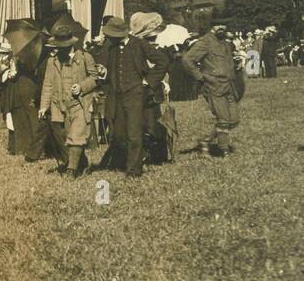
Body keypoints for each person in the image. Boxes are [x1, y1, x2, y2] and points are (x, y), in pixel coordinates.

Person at [101, 13, 169, 175]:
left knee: (134, 134)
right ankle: (130, 160)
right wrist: (102, 71)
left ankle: (133, 169)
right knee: (119, 134)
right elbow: (107, 67)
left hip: (136, 95)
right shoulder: (111, 46)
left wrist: (148, 81)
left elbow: (163, 61)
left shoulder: (139, 44)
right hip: (117, 95)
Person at [38, 23, 99, 176]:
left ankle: (71, 171)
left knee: (76, 135)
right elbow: (48, 84)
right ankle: (81, 163)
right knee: (67, 137)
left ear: (71, 43)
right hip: (60, 105)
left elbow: (95, 78)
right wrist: (44, 106)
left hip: (80, 104)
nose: (60, 49)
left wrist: (82, 86)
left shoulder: (85, 57)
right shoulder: (52, 62)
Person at [182, 23, 242, 157]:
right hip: (214, 86)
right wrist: (200, 77)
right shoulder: (204, 42)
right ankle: (223, 150)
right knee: (224, 119)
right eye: (217, 25)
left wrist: (236, 64)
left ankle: (206, 141)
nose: (221, 28)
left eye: (224, 25)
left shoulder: (225, 42)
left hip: (229, 85)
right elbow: (187, 60)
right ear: (211, 27)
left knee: (234, 120)